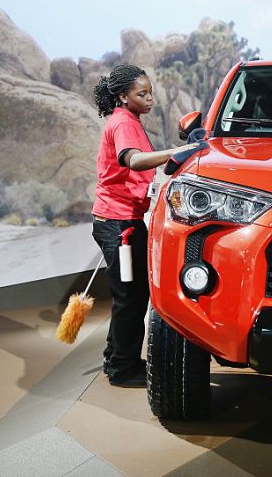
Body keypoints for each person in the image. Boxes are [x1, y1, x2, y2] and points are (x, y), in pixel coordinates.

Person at [91, 64, 199, 387]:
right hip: (118, 222)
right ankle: (124, 369)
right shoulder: (123, 123)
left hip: (120, 218)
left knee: (129, 295)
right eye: (142, 94)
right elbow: (133, 160)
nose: (150, 98)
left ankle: (116, 360)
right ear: (123, 96)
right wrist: (180, 151)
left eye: (150, 92)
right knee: (131, 297)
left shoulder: (129, 120)